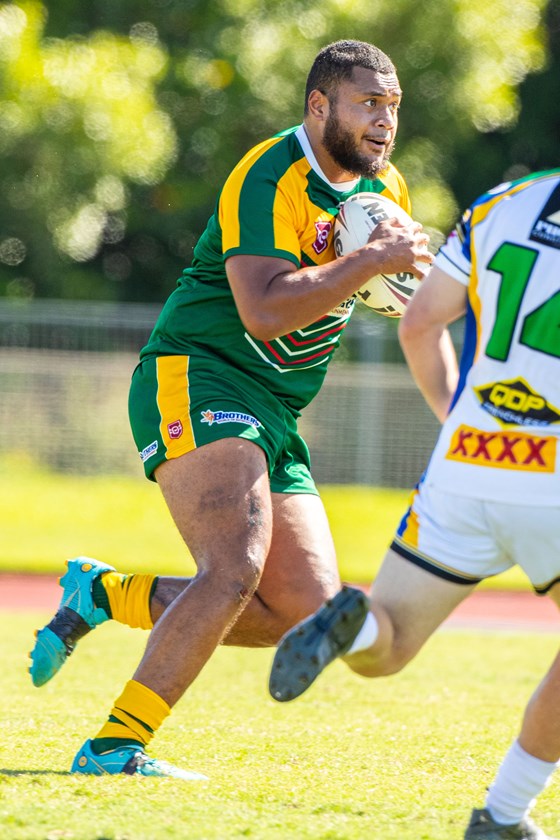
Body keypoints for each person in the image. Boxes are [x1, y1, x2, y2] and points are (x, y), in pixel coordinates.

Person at [29, 40, 433, 779]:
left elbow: (395, 296)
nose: (384, 123)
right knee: (233, 564)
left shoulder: (389, 192)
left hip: (275, 411)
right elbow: (263, 312)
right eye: (368, 104)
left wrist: (428, 283)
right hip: (201, 375)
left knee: (306, 614)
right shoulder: (269, 172)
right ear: (320, 107)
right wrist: (372, 261)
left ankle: (106, 594)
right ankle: (116, 745)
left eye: (393, 108)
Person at [268, 168, 560, 840]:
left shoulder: (501, 203)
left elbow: (419, 327)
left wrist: (463, 429)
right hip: (553, 482)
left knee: (387, 644)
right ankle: (503, 815)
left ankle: (351, 623)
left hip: (463, 467)